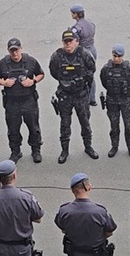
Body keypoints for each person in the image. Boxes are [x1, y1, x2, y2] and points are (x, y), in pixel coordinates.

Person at [0, 38, 45, 163]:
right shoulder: (3, 63)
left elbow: (41, 74)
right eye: (12, 51)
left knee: (34, 128)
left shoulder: (31, 61)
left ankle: (36, 151)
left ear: (21, 48)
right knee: (13, 129)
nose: (15, 54)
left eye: (16, 50)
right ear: (8, 51)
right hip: (12, 102)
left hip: (29, 101)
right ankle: (15, 152)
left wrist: (33, 81)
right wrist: (4, 82)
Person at [0, 160, 45, 254]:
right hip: (22, 248)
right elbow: (38, 218)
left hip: (1, 248)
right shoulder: (27, 197)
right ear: (14, 176)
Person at [50, 29, 98, 164]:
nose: (68, 44)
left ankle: (88, 147)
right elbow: (53, 72)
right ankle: (64, 151)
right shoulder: (57, 56)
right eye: (65, 42)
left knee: (85, 123)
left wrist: (80, 82)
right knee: (65, 125)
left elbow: (91, 69)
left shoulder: (84, 54)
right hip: (65, 96)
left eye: (70, 41)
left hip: (81, 95)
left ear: (76, 41)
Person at [54, 173, 118, 255]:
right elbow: (110, 231)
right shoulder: (100, 211)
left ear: (73, 190)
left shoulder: (64, 211)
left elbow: (62, 228)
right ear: (87, 187)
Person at [99, 43, 130, 158]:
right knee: (114, 126)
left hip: (126, 101)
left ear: (123, 56)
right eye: (115, 56)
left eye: (119, 56)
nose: (117, 59)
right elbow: (104, 82)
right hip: (112, 101)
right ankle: (114, 146)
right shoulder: (106, 69)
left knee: (128, 126)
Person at [69, 4, 98, 106]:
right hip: (92, 49)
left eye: (73, 13)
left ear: (76, 14)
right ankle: (92, 98)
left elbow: (75, 42)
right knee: (91, 74)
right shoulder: (90, 23)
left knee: (80, 74)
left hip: (83, 52)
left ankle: (82, 98)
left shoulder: (76, 28)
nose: (71, 15)